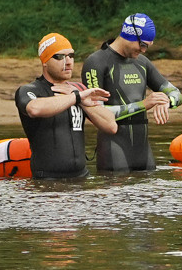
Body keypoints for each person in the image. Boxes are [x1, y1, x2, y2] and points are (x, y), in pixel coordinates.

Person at [82, 13, 181, 172]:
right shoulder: (96, 62)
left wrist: (167, 101)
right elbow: (95, 112)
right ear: (130, 35)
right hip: (113, 147)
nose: (143, 50)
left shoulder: (142, 62)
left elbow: (176, 93)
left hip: (143, 150)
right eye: (142, 45)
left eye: (147, 46)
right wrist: (144, 104)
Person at [16, 33, 116, 181]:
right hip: (48, 183)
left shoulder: (78, 90)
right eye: (60, 57)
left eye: (71, 55)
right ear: (45, 61)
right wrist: (75, 97)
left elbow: (111, 125)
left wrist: (81, 100)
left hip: (81, 179)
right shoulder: (30, 90)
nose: (68, 62)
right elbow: (34, 109)